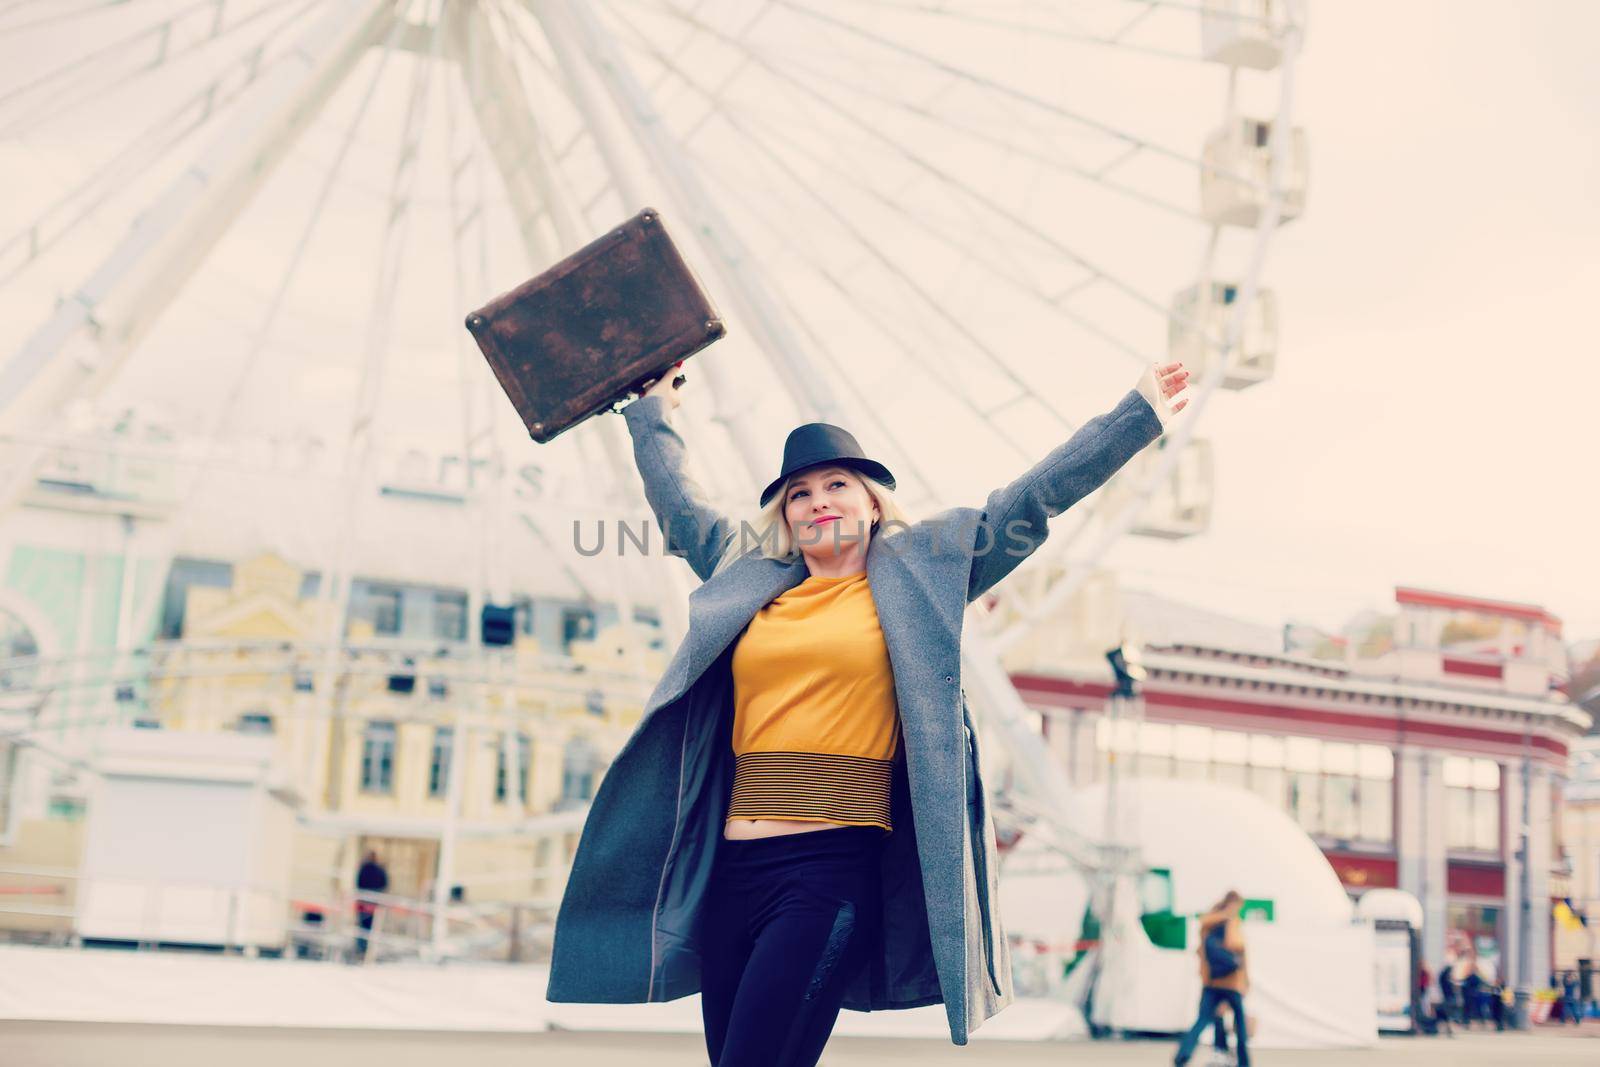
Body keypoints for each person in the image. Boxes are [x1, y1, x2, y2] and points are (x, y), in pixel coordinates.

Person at [545, 359, 1190, 1064]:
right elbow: (680, 506)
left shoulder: (923, 572)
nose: (818, 500)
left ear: (872, 502)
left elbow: (1032, 500)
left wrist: (1137, 414)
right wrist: (652, 413)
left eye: (836, 485)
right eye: (799, 493)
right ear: (785, 514)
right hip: (731, 874)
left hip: (825, 872)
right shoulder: (748, 574)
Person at [1175, 891, 1250, 1067]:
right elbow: (1236, 946)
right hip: (1231, 982)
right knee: (1239, 1021)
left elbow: (1202, 948)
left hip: (1211, 981)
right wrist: (1246, 978)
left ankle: (1183, 1055)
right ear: (1233, 904)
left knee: (1204, 1019)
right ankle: (1243, 1061)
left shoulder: (1209, 922)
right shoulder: (1230, 921)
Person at [353, 849, 389, 962]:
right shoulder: (380, 870)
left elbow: (358, 883)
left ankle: (362, 950)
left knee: (362, 926)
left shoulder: (364, 868)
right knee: (371, 927)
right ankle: (366, 950)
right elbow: (384, 884)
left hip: (364, 903)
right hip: (373, 903)